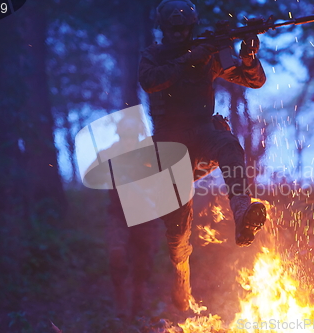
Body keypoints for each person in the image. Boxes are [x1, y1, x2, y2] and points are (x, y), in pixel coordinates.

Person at [138, 0, 268, 311]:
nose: (182, 33)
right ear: (165, 29)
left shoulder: (206, 53)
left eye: (186, 28)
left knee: (228, 145)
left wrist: (248, 57)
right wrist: (190, 58)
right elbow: (151, 81)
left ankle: (241, 212)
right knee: (178, 228)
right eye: (175, 29)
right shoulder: (154, 56)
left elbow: (254, 81)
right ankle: (181, 280)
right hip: (170, 146)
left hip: (201, 132)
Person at [83, 116, 160, 318]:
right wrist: (107, 175)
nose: (129, 140)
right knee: (117, 254)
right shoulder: (108, 154)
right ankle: (121, 306)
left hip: (145, 215)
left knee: (142, 264)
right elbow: (91, 175)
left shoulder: (147, 154)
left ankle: (139, 308)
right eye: (125, 136)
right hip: (118, 214)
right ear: (119, 136)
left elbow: (161, 179)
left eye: (132, 136)